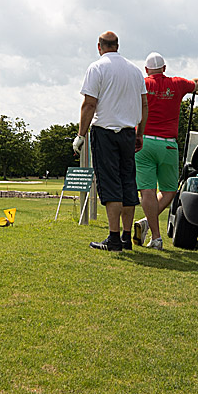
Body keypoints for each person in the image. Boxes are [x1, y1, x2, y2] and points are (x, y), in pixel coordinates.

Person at [73, 31, 148, 252]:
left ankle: (114, 238)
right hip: (128, 133)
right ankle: (126, 237)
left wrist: (81, 135)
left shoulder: (97, 68)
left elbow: (89, 104)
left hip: (105, 131)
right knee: (128, 182)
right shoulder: (135, 71)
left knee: (110, 184)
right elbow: (144, 105)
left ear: (100, 47)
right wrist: (139, 133)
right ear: (117, 46)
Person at [132, 53, 198, 249]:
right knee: (169, 190)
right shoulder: (177, 83)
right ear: (164, 68)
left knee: (147, 190)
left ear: (146, 69)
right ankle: (149, 225)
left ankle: (155, 235)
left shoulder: (141, 84)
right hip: (168, 144)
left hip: (143, 142)